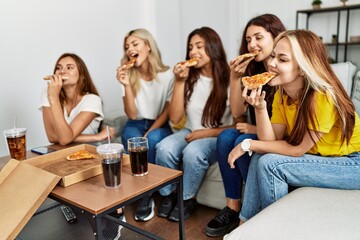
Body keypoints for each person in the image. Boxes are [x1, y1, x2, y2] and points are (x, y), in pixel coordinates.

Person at [228, 29, 360, 224]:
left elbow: (297, 150)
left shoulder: (322, 97)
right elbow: (271, 142)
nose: (271, 63)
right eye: (273, 56)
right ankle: (245, 227)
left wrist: (247, 144)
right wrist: (260, 108)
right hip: (321, 158)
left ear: (302, 67)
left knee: (269, 164)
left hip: (352, 164)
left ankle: (279, 231)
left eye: (282, 59)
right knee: (260, 157)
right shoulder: (282, 94)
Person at [205, 14, 286, 237]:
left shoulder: (285, 72)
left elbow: (287, 125)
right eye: (248, 39)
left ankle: (254, 211)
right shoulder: (253, 71)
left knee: (242, 140)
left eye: (258, 37)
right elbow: (239, 112)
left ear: (277, 37)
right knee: (225, 137)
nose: (252, 44)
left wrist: (252, 130)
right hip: (257, 129)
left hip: (276, 135)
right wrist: (235, 77)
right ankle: (232, 207)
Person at [155, 26, 234, 222]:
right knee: (163, 147)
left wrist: (205, 133)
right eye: (190, 47)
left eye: (199, 46)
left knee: (193, 152)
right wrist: (179, 82)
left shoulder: (230, 77)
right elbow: (174, 118)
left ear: (213, 47)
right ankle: (168, 194)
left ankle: (186, 198)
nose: (193, 52)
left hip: (218, 135)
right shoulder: (187, 77)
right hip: (190, 129)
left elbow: (239, 125)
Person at [116, 28, 174, 222]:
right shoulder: (128, 75)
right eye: (127, 47)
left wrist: (151, 131)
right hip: (136, 122)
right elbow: (131, 113)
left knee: (152, 139)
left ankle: (159, 192)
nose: (129, 49)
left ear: (148, 46)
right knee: (130, 138)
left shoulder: (168, 75)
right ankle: (145, 194)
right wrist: (125, 85)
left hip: (160, 122)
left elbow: (168, 110)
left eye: (135, 44)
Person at [41, 53, 114, 145]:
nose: (62, 71)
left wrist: (54, 98)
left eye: (69, 67)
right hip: (60, 152)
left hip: (88, 151)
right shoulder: (48, 93)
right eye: (59, 68)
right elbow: (52, 137)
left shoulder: (93, 100)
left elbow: (64, 139)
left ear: (82, 75)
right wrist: (96, 137)